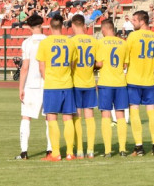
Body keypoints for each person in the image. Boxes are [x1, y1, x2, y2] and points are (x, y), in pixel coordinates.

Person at [121, 10, 154, 156]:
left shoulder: (132, 36)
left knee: (135, 112)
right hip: (149, 80)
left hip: (133, 80)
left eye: (135, 20)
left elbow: (126, 58)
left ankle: (139, 146)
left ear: (142, 21)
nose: (132, 22)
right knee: (152, 113)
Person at [36, 16, 74, 161]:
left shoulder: (45, 43)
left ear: (50, 27)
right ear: (62, 27)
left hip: (52, 85)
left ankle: (56, 153)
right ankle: (70, 153)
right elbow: (72, 64)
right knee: (68, 117)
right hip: (67, 84)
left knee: (51, 117)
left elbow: (41, 67)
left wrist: (50, 79)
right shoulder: (70, 43)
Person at [16, 14, 50, 160]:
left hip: (31, 85)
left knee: (26, 117)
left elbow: (25, 67)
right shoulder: (49, 41)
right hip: (49, 83)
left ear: (29, 26)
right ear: (42, 24)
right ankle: (51, 149)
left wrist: (20, 88)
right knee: (50, 118)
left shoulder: (27, 43)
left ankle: (24, 152)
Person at [94, 18, 128, 157]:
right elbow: (125, 65)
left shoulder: (100, 43)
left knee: (106, 115)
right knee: (120, 116)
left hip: (106, 83)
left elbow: (99, 64)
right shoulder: (123, 43)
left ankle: (108, 150)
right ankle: (122, 149)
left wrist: (94, 66)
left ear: (104, 29)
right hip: (120, 83)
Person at [68, 14, 97, 159]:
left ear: (73, 25)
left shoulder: (71, 41)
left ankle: (79, 149)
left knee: (76, 116)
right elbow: (98, 63)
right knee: (90, 116)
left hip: (75, 83)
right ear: (84, 25)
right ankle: (90, 150)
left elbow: (69, 63)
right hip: (90, 82)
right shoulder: (94, 41)